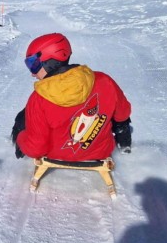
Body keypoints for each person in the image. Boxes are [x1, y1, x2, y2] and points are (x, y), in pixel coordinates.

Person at [11, 33, 132, 162]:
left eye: (33, 64)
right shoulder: (104, 80)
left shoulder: (38, 99)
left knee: (22, 118)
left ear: (50, 62)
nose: (32, 73)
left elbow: (36, 149)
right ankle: (125, 146)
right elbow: (123, 113)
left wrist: (21, 138)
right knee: (120, 118)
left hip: (56, 155)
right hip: (100, 151)